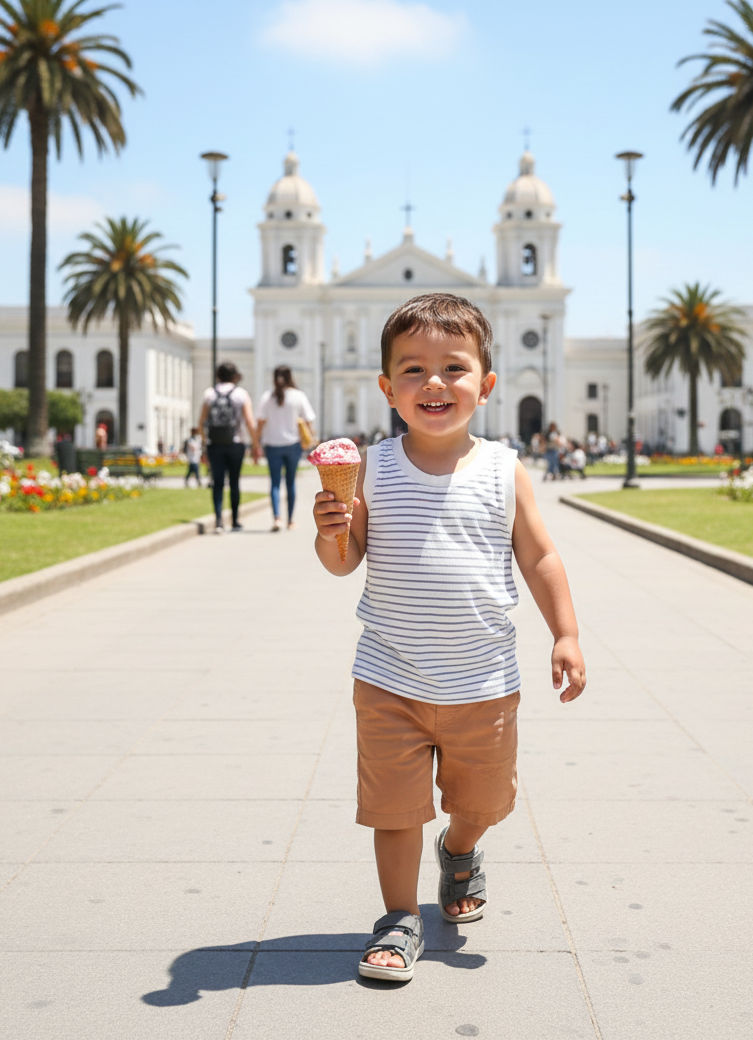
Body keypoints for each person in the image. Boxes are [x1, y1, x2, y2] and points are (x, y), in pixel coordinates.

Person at [312, 293, 586, 984]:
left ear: (486, 386)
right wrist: (330, 528)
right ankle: (399, 919)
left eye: (453, 368)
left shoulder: (503, 470)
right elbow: (345, 562)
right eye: (413, 370)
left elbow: (541, 557)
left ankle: (460, 848)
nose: (433, 382)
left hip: (484, 683)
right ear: (387, 389)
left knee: (484, 801)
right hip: (389, 678)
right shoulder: (373, 467)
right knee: (393, 809)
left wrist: (567, 633)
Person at [199, 362, 260, 534]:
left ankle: (218, 521)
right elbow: (249, 421)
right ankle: (234, 521)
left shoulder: (210, 394)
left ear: (218, 375)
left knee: (217, 483)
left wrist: (205, 445)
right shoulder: (241, 394)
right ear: (235, 376)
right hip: (235, 444)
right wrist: (255, 444)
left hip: (215, 444)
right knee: (234, 483)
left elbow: (201, 422)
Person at [256, 366, 316, 531]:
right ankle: (290, 520)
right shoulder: (298, 396)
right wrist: (313, 439)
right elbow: (309, 419)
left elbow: (260, 423)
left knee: (275, 483)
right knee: (290, 483)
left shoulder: (268, 397)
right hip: (292, 445)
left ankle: (277, 518)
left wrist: (256, 444)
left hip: (272, 445)